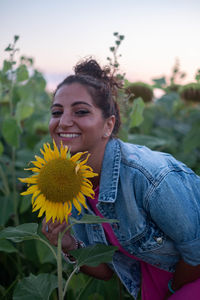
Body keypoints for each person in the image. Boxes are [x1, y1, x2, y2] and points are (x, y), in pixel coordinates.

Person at [42, 58, 200, 300]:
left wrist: (172, 290)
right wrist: (66, 244)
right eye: (56, 112)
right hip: (153, 284)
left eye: (81, 111)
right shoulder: (68, 185)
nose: (63, 122)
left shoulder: (149, 176)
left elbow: (197, 253)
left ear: (108, 125)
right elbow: (104, 270)